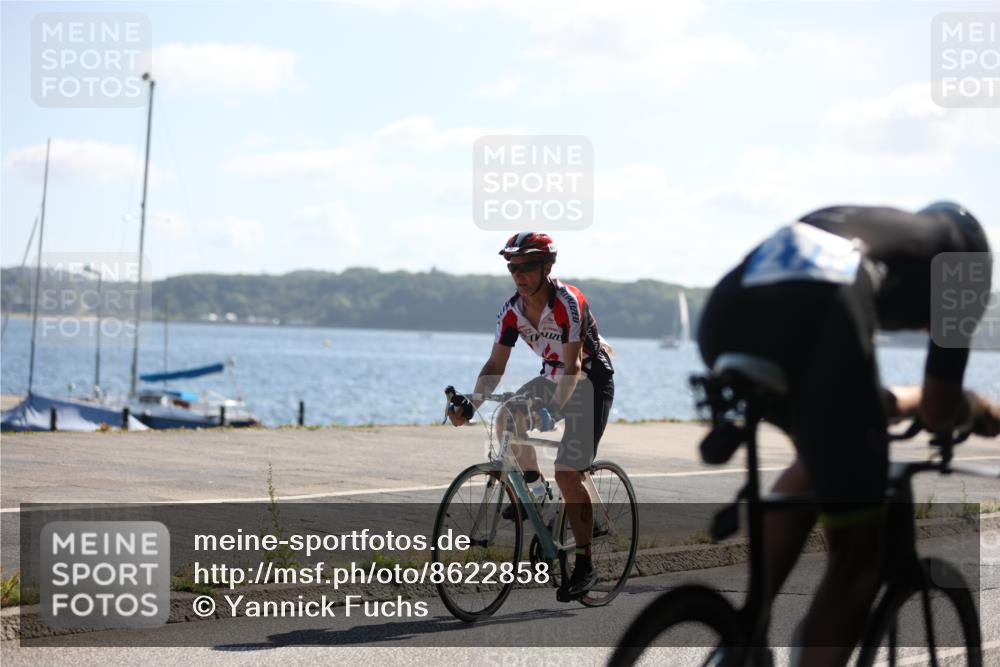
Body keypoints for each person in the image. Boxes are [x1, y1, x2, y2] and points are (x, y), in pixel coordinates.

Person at [697, 201, 1000, 666]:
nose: (922, 327)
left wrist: (890, 401)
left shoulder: (871, 230)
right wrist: (978, 408)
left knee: (818, 459)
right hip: (823, 309)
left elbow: (852, 393)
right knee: (858, 557)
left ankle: (743, 632)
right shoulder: (967, 264)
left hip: (726, 314)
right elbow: (941, 407)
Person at [448, 231, 615, 601]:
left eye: (526, 267)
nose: (518, 274)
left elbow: (573, 367)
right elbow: (495, 364)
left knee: (569, 471)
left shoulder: (568, 303)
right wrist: (471, 403)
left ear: (547, 267)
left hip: (589, 380)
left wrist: (552, 408)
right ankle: (537, 494)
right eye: (512, 267)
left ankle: (586, 566)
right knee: (506, 417)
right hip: (553, 375)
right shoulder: (510, 311)